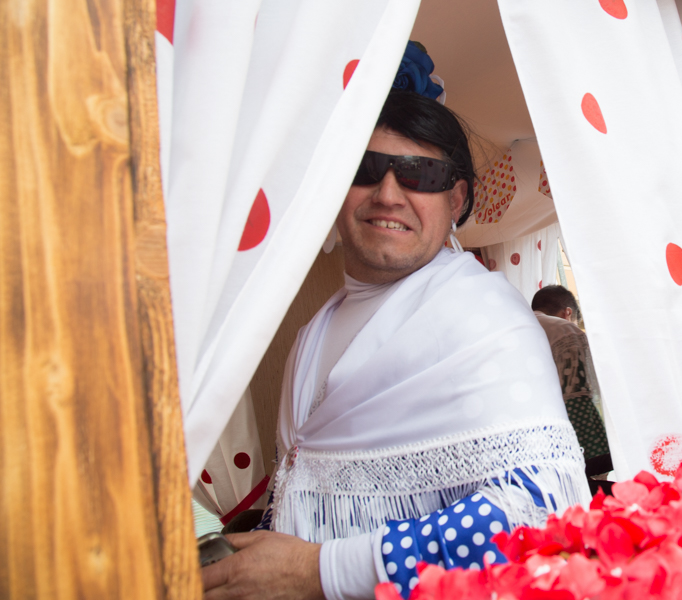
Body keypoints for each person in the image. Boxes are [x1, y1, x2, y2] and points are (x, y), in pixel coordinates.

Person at [200, 90, 590, 600]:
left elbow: (538, 514)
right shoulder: (312, 332)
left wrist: (318, 571)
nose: (387, 194)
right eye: (366, 169)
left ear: (455, 201)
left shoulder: (482, 317)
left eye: (418, 174)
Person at [530, 286, 612, 481]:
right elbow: (582, 393)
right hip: (565, 435)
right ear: (568, 313)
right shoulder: (565, 329)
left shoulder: (511, 326)